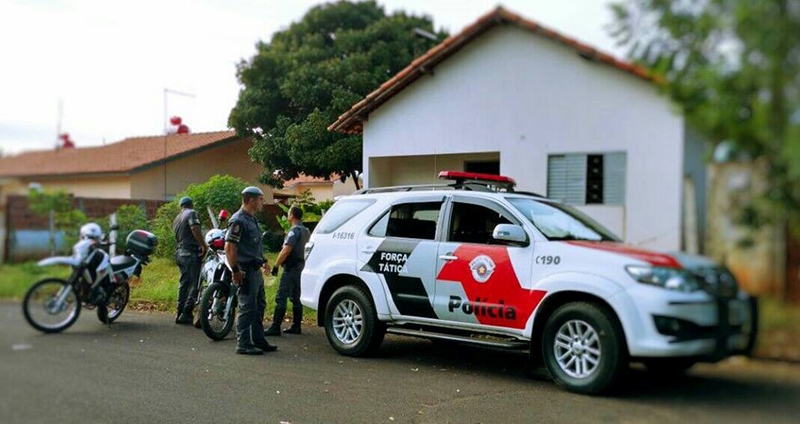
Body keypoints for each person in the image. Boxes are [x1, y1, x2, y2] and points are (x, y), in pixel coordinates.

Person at [225, 186, 277, 355]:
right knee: (247, 307)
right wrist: (235, 270)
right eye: (261, 199)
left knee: (259, 305)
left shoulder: (251, 219)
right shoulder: (238, 220)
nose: (263, 202)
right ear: (252, 200)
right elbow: (230, 247)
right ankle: (243, 343)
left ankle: (258, 339)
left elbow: (252, 245)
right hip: (245, 271)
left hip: (255, 270)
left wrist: (263, 261)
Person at [264, 206, 310, 336]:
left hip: (291, 268)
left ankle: (275, 327)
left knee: (281, 296)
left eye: (288, 214)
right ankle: (296, 326)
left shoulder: (294, 231)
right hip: (301, 266)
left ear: (292, 216)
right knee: (296, 297)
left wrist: (276, 265)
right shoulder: (306, 231)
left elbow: (286, 250)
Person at [172, 196, 207, 325]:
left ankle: (179, 312)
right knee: (195, 282)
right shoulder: (192, 213)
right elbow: (194, 228)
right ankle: (187, 312)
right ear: (191, 204)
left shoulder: (177, 218)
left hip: (179, 253)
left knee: (184, 282)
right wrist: (203, 244)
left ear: (181, 206)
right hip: (190, 252)